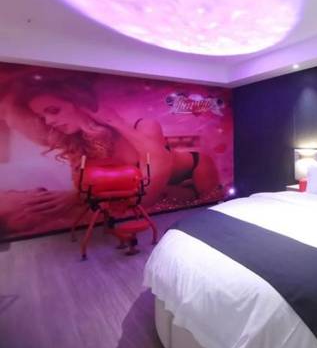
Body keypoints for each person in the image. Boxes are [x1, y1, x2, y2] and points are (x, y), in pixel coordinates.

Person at [0, 71, 222, 237]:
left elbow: (148, 194)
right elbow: (88, 191)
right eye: (43, 117)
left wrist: (115, 122)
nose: (49, 121)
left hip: (195, 167)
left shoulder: (144, 125)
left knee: (214, 218)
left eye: (53, 111)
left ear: (81, 104)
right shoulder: (78, 145)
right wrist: (76, 197)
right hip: (165, 185)